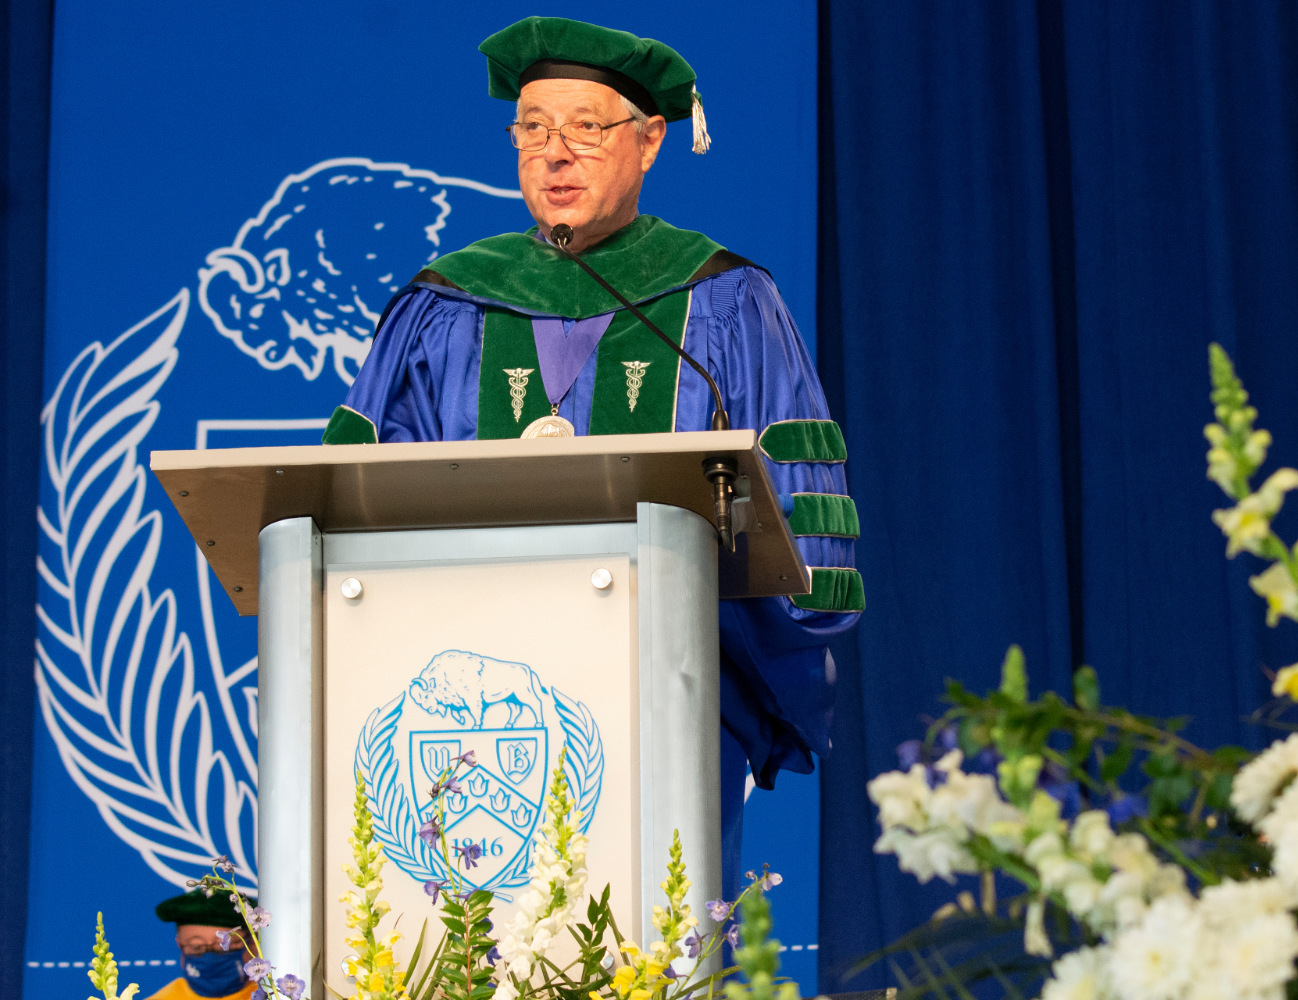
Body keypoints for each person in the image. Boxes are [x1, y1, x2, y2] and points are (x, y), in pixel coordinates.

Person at [322, 17, 862, 893]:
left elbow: (799, 517)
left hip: (671, 691)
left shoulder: (724, 301)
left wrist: (752, 659)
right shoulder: (444, 304)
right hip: (456, 713)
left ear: (650, 142)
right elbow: (354, 506)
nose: (554, 153)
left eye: (585, 127)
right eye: (532, 128)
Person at [146, 891, 258, 1000]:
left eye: (222, 946)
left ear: (253, 944)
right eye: (197, 947)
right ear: (180, 944)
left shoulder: (267, 993)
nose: (210, 957)